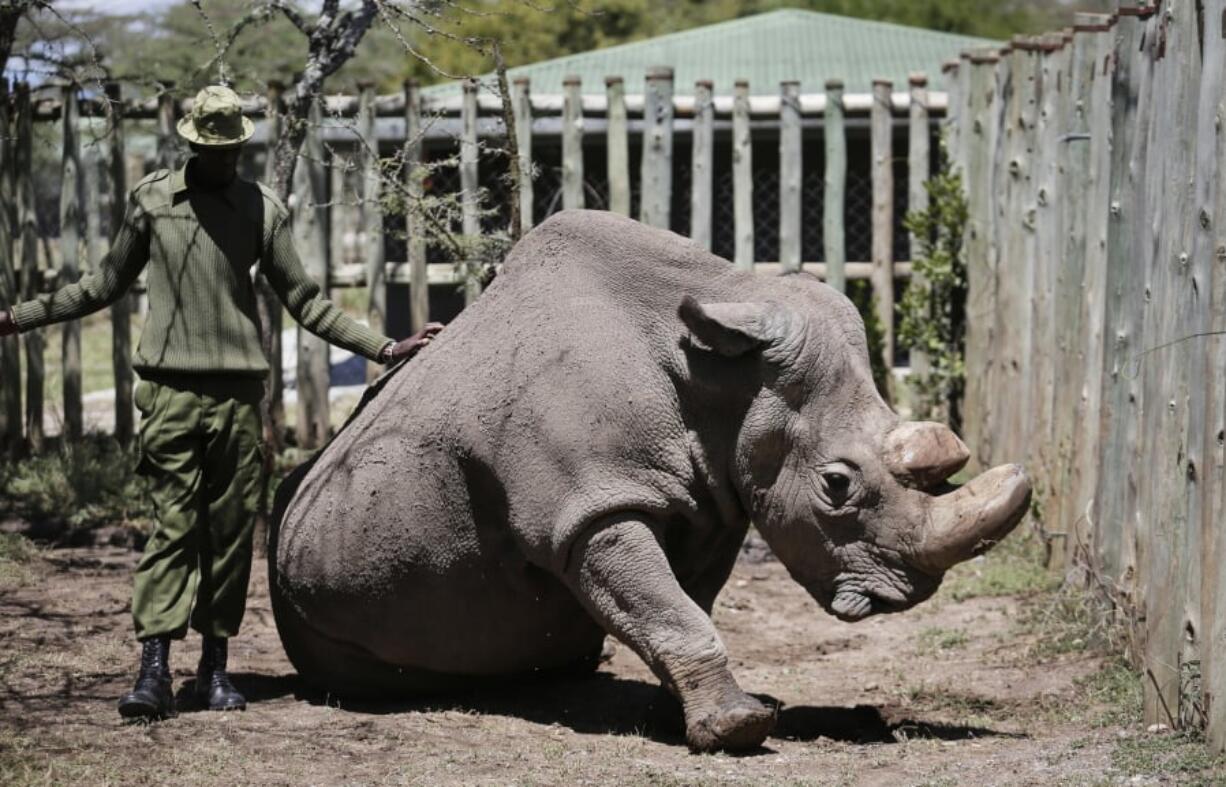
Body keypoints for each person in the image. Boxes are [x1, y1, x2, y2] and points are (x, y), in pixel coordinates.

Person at [0, 85, 443, 720]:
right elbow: (102, 285)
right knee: (172, 529)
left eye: (235, 148)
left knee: (231, 535)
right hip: (171, 393)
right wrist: (17, 318)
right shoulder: (153, 202)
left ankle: (214, 669)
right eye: (215, 149)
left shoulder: (262, 208)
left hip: (238, 398)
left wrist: (383, 347)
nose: (227, 159)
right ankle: (153, 671)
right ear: (192, 144)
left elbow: (305, 299)